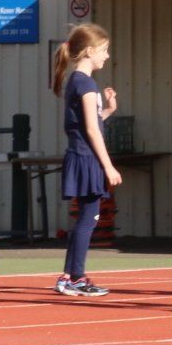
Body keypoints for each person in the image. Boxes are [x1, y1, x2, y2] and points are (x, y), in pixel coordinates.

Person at [52, 23, 122, 299]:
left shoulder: (77, 82)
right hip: (86, 159)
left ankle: (70, 276)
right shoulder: (86, 83)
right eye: (104, 50)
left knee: (84, 218)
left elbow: (87, 124)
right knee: (87, 220)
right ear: (90, 51)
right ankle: (75, 277)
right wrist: (108, 165)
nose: (106, 56)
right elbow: (91, 131)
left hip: (80, 155)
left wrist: (109, 110)